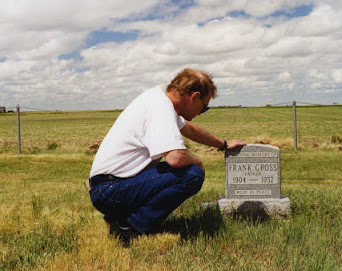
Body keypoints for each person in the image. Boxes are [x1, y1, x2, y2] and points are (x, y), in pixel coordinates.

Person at [85, 68, 246, 242]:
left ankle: (122, 217)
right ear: (194, 97)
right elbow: (175, 158)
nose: (201, 112)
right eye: (204, 107)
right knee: (192, 174)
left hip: (109, 187)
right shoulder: (162, 108)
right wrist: (197, 160)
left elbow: (189, 129)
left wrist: (223, 144)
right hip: (110, 190)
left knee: (184, 170)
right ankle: (130, 227)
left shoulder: (157, 100)